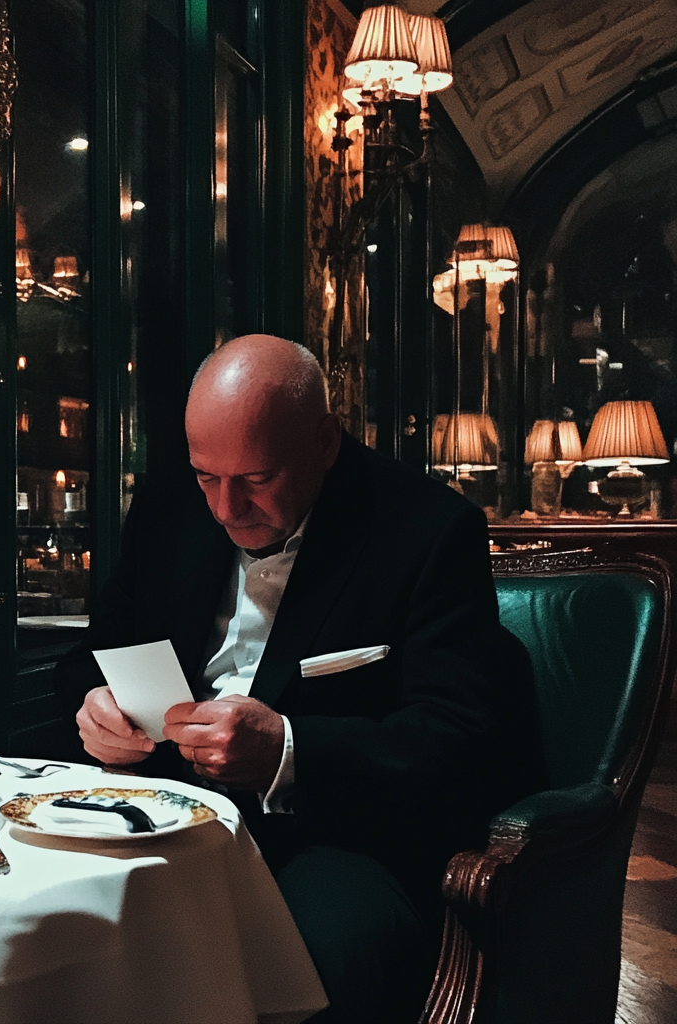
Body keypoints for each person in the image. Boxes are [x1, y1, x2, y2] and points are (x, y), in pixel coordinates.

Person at [54, 334, 544, 1023]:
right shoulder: (168, 507)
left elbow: (458, 739)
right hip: (162, 812)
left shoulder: (428, 531)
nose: (225, 508)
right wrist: (94, 707)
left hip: (335, 837)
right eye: (207, 476)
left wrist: (288, 749)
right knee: (48, 928)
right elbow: (91, 657)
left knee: (322, 956)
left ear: (325, 440)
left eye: (256, 480)